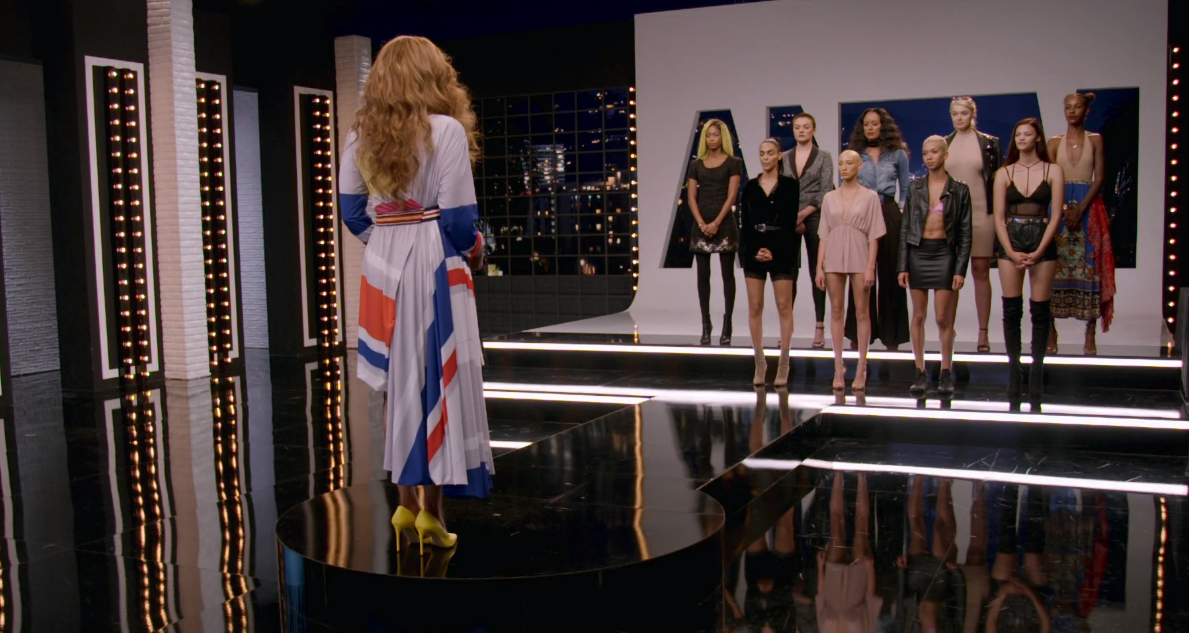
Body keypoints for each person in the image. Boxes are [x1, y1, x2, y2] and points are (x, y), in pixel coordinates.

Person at [339, 35, 493, 552]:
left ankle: (405, 504)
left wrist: (387, 240)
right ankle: (431, 512)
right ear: (434, 77)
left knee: (399, 380)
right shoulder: (445, 130)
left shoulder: (359, 136)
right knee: (434, 381)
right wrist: (476, 250)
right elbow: (458, 220)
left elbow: (352, 211)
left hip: (383, 267)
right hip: (433, 262)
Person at [993, 118, 1064, 400]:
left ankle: (1036, 374)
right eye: (1018, 134)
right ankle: (1014, 372)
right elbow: (998, 217)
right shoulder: (1003, 173)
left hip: (1041, 238)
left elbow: (1056, 215)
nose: (1021, 138)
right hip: (1011, 237)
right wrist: (1010, 252)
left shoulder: (1053, 170)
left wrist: (1039, 250)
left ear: (1038, 138)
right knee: (1012, 309)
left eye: (1027, 134)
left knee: (1040, 311)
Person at [899, 136, 973, 396]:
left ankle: (945, 372)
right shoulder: (915, 187)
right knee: (918, 316)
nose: (929, 157)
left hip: (944, 254)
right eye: (925, 153)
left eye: (934, 152)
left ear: (945, 154)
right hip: (918, 253)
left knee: (943, 318)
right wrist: (902, 266)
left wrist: (960, 270)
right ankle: (919, 372)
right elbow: (905, 228)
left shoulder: (960, 190)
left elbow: (965, 234)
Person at [1048, 92, 1116, 356]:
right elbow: (1050, 178)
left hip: (1088, 205)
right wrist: (1065, 208)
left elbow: (1100, 177)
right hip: (1059, 205)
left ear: (1086, 111)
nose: (1072, 111)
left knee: (1090, 265)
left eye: (1077, 107)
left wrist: (1081, 208)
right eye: (1068, 107)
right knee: (1054, 265)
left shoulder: (1095, 139)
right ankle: (1051, 329)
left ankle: (1090, 330)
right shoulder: (1054, 142)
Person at [816, 150, 885, 392]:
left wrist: (870, 267)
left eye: (849, 163)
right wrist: (819, 267)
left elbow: (874, 235)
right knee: (836, 310)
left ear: (859, 166)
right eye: (841, 164)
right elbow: (823, 234)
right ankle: (838, 366)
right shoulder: (829, 198)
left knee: (862, 312)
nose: (844, 168)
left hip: (859, 254)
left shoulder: (870, 197)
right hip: (834, 253)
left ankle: (862, 366)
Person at [846, 108, 910, 351]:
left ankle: (892, 336)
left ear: (883, 126)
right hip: (861, 213)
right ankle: (859, 332)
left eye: (875, 123)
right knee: (861, 274)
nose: (870, 128)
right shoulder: (855, 154)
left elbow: (905, 188)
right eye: (866, 124)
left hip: (888, 211)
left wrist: (900, 212)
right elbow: (847, 184)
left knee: (891, 274)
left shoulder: (897, 154)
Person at [945, 96, 1002, 352]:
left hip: (982, 214)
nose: (959, 118)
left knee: (980, 271)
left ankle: (983, 333)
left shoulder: (989, 144)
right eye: (955, 114)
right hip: (953, 218)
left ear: (972, 114)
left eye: (963, 113)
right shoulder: (945, 143)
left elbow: (998, 182)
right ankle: (949, 329)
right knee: (952, 274)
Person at [741, 139, 800, 386]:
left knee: (784, 306)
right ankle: (760, 362)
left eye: (770, 153)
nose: (766, 157)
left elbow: (790, 222)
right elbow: (745, 224)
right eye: (762, 153)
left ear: (779, 156)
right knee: (755, 307)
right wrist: (756, 250)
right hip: (754, 250)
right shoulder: (750, 187)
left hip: (782, 250)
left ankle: (784, 363)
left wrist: (773, 250)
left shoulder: (790, 186)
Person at [687, 119, 744, 346]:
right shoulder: (696, 165)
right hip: (701, 224)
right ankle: (706, 324)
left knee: (727, 275)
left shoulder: (733, 163)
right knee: (703, 276)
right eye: (708, 135)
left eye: (715, 135)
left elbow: (732, 196)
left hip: (724, 223)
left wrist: (716, 223)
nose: (712, 139)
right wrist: (702, 224)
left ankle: (727, 324)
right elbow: (691, 198)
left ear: (723, 137)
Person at [783, 113, 834, 349]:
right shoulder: (785, 157)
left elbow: (826, 190)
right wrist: (794, 215)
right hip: (790, 216)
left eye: (805, 127)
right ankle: (787, 328)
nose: (801, 131)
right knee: (789, 272)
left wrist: (804, 214)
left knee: (817, 270)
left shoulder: (824, 157)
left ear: (813, 130)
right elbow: (782, 188)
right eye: (797, 127)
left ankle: (819, 325)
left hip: (815, 215)